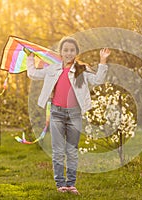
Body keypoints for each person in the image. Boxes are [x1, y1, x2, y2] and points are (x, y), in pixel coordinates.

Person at [26, 36, 111, 195]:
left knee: (71, 151)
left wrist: (103, 61)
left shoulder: (81, 70)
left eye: (72, 50)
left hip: (74, 115)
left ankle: (71, 184)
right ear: (61, 52)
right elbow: (33, 74)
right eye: (65, 50)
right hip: (56, 113)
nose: (68, 53)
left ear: (76, 52)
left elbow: (98, 80)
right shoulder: (52, 69)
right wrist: (30, 58)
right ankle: (61, 185)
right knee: (58, 151)